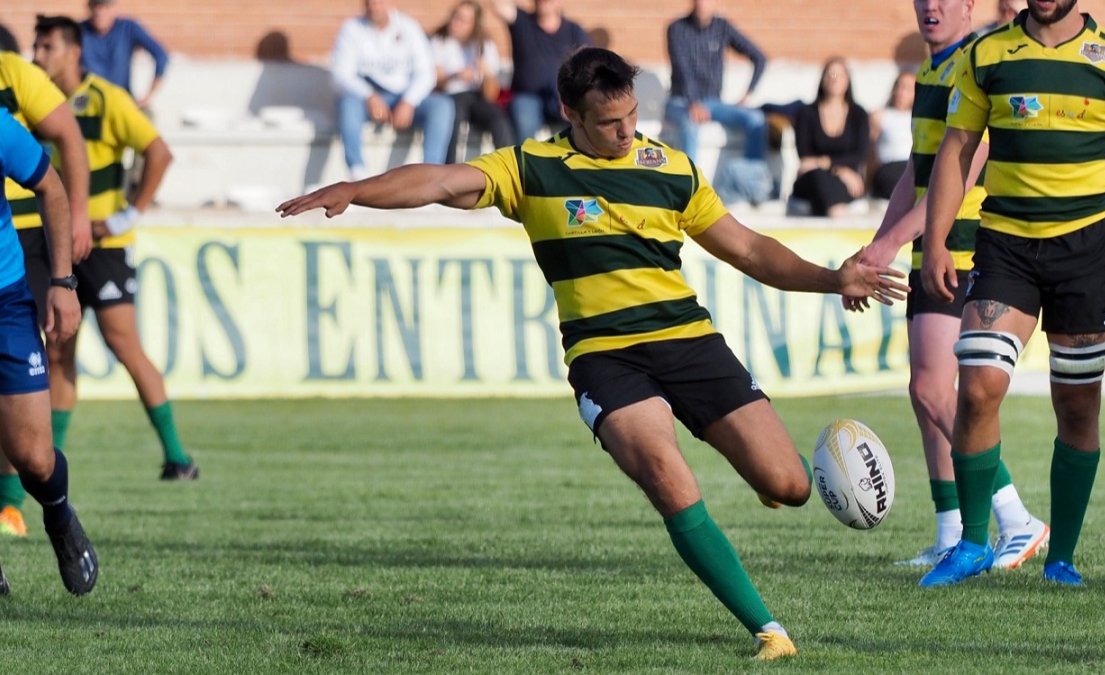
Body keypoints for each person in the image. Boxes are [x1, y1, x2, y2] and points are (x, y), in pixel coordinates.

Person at [277, 47, 908, 660]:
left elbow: (746, 249)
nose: (627, 131)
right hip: (606, 356)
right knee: (667, 475)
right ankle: (769, 630)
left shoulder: (671, 167)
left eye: (632, 115)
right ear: (570, 114)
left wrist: (834, 278)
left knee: (790, 486)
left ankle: (780, 469)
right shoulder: (531, 167)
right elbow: (441, 180)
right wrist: (357, 187)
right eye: (609, 122)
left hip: (689, 342)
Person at [919, 1, 1105, 588]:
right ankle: (974, 543)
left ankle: (1062, 558)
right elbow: (956, 150)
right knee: (979, 387)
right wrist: (935, 241)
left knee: (1078, 406)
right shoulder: (986, 54)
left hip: (1085, 254)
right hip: (1005, 245)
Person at [846, 0, 1047, 570]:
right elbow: (918, 169)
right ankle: (951, 529)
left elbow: (960, 175)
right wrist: (877, 247)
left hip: (965, 245)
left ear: (969, 7)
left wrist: (887, 246)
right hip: (928, 245)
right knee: (924, 389)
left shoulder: (973, 63)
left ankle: (1017, 520)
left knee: (938, 391)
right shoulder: (930, 70)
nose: (931, 6)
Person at [32, 15, 198, 481]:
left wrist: (129, 214)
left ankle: (177, 456)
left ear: (74, 52)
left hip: (104, 245)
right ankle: (51, 463)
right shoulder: (36, 101)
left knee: (124, 345)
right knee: (60, 350)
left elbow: (159, 152)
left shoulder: (106, 99)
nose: (38, 57)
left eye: (47, 48)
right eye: (36, 48)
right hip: (57, 245)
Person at [0, 107, 98, 596]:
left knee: (33, 457)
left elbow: (52, 189)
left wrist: (62, 282)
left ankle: (59, 517)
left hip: (5, 302)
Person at [330, 0, 455, 179]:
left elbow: (426, 73)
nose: (373, 7)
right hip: (367, 99)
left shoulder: (409, 27)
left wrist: (408, 101)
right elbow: (341, 74)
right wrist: (369, 95)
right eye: (368, 3)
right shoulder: (351, 29)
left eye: (378, 2)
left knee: (442, 105)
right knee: (347, 103)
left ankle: (431, 173)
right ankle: (357, 172)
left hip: (403, 96)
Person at [664, 0, 768, 162]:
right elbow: (682, 69)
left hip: (713, 103)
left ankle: (750, 181)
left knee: (756, 120)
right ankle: (692, 184)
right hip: (680, 102)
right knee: (690, 125)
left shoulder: (722, 27)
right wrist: (694, 102)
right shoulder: (676, 28)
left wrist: (748, 93)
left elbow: (759, 57)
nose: (702, 4)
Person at [488, 0, 590, 144]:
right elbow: (498, 5)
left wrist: (571, 96)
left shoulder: (574, 31)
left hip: (562, 97)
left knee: (582, 119)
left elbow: (586, 68)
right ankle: (525, 164)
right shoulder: (522, 21)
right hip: (527, 97)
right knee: (524, 116)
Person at [430, 0, 515, 162]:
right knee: (452, 118)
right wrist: (455, 75)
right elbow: (433, 82)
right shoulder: (439, 42)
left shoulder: (485, 45)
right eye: (455, 17)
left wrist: (487, 74)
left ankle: (509, 167)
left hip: (476, 96)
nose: (456, 23)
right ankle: (449, 171)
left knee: (498, 118)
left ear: (474, 24)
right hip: (450, 97)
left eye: (463, 20)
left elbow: (492, 95)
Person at [789, 57, 869, 217]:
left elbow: (859, 155)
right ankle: (836, 213)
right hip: (812, 179)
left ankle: (834, 214)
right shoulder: (806, 113)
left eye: (839, 75)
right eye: (830, 75)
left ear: (848, 81)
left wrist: (823, 163)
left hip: (848, 180)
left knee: (840, 185)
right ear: (822, 80)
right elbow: (804, 156)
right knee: (819, 177)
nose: (834, 80)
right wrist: (838, 168)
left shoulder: (859, 114)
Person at [80, 0, 170, 108]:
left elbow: (161, 55)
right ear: (89, 7)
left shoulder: (127, 28)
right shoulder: (78, 32)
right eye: (96, 6)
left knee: (146, 118)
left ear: (113, 9)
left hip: (121, 99)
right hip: (88, 101)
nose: (100, 12)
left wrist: (148, 96)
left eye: (105, 7)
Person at [868, 70, 914, 200]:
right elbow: (870, 153)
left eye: (908, 88)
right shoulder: (880, 115)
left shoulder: (919, 118)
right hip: (889, 168)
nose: (902, 92)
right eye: (899, 86)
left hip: (912, 167)